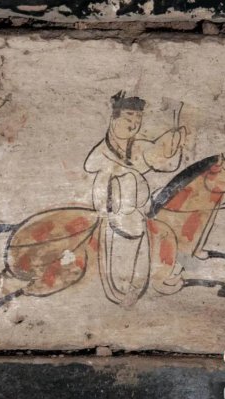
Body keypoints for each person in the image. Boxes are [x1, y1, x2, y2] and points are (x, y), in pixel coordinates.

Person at [84, 91, 186, 306]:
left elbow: (162, 160)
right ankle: (121, 288)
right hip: (114, 210)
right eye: (128, 117)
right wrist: (123, 169)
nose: (134, 124)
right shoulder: (103, 150)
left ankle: (141, 283)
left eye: (138, 118)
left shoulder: (139, 146)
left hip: (136, 212)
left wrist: (173, 143)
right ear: (114, 119)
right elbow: (90, 165)